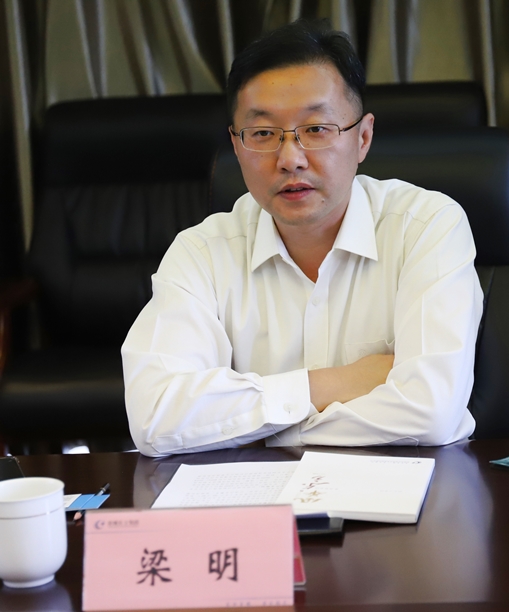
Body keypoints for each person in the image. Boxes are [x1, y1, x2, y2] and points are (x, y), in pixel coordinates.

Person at [122, 19, 483, 457]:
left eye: (316, 129)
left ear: (363, 137)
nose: (290, 159)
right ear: (236, 146)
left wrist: (257, 426)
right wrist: (339, 382)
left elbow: (432, 410)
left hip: (411, 484)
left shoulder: (425, 227)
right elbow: (155, 418)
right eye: (263, 134)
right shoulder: (201, 253)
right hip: (255, 493)